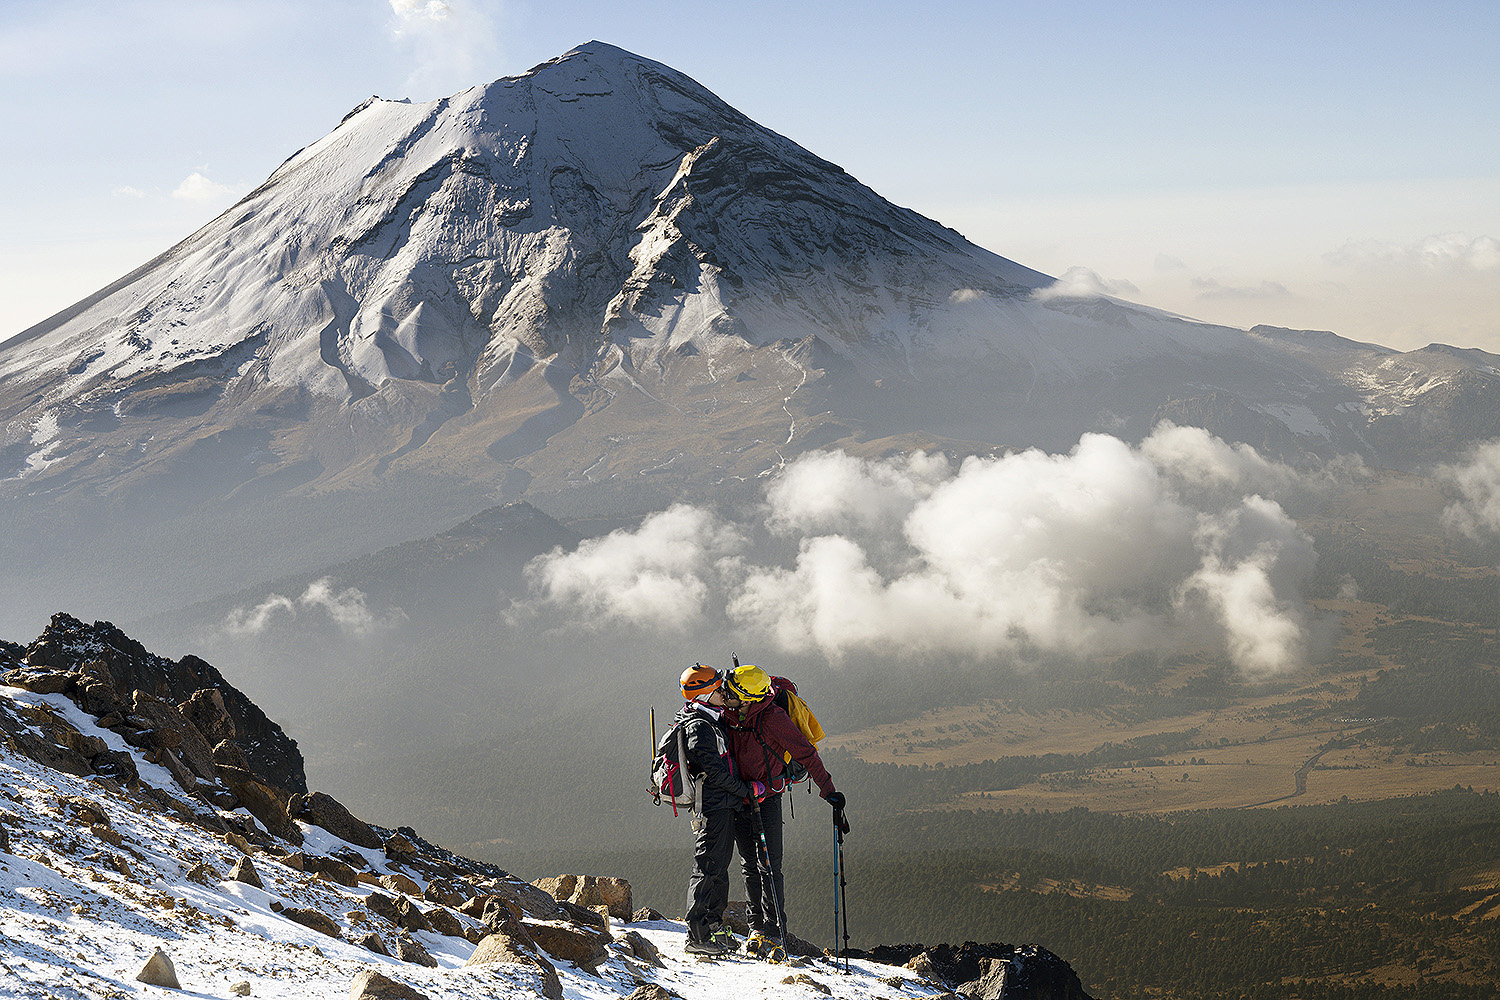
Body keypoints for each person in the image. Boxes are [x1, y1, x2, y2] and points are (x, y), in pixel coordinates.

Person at [721, 663, 847, 955]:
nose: (724, 694)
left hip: (766, 797)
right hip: (740, 795)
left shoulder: (772, 719)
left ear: (746, 696)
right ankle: (756, 928)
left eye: (731, 691)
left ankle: (775, 929)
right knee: (749, 864)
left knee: (769, 865)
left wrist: (828, 790)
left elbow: (806, 752)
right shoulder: (729, 714)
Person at [671, 664, 757, 957]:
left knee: (718, 868)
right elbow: (714, 771)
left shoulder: (710, 719)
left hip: (722, 804)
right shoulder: (699, 725)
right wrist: (747, 791)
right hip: (713, 806)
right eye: (719, 688)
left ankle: (713, 927)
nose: (724, 692)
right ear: (706, 693)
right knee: (708, 867)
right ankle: (697, 935)